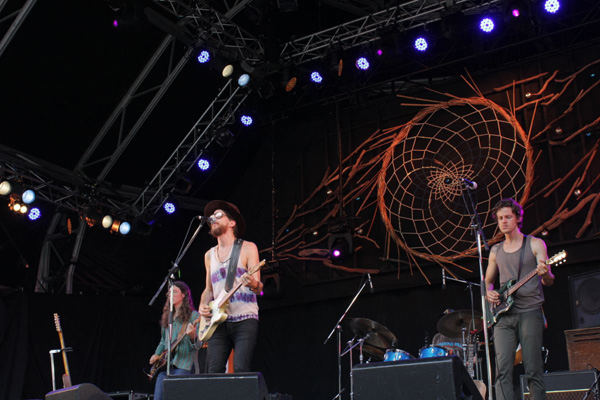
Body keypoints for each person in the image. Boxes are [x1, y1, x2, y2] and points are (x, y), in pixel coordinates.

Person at [485, 198, 554, 400]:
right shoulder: (495, 250)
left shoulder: (535, 243)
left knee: (533, 369)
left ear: (517, 218)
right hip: (503, 315)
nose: (504, 221)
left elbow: (549, 281)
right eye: (500, 218)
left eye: (508, 217)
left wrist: (545, 274)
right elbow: (487, 281)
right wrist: (489, 292)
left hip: (529, 312)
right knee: (502, 371)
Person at [199, 200, 262, 373]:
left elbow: (258, 287)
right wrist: (202, 305)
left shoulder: (248, 248)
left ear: (232, 222)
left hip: (245, 318)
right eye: (212, 217)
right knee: (213, 372)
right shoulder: (209, 255)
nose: (213, 219)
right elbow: (209, 289)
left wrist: (253, 283)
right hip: (218, 322)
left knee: (241, 368)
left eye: (219, 215)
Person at [149, 281, 200, 400]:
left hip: (184, 365)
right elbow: (163, 341)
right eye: (169, 293)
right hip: (166, 366)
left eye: (175, 292)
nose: (171, 295)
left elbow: (198, 345)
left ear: (183, 294)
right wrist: (156, 355)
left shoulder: (194, 316)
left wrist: (192, 336)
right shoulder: (168, 317)